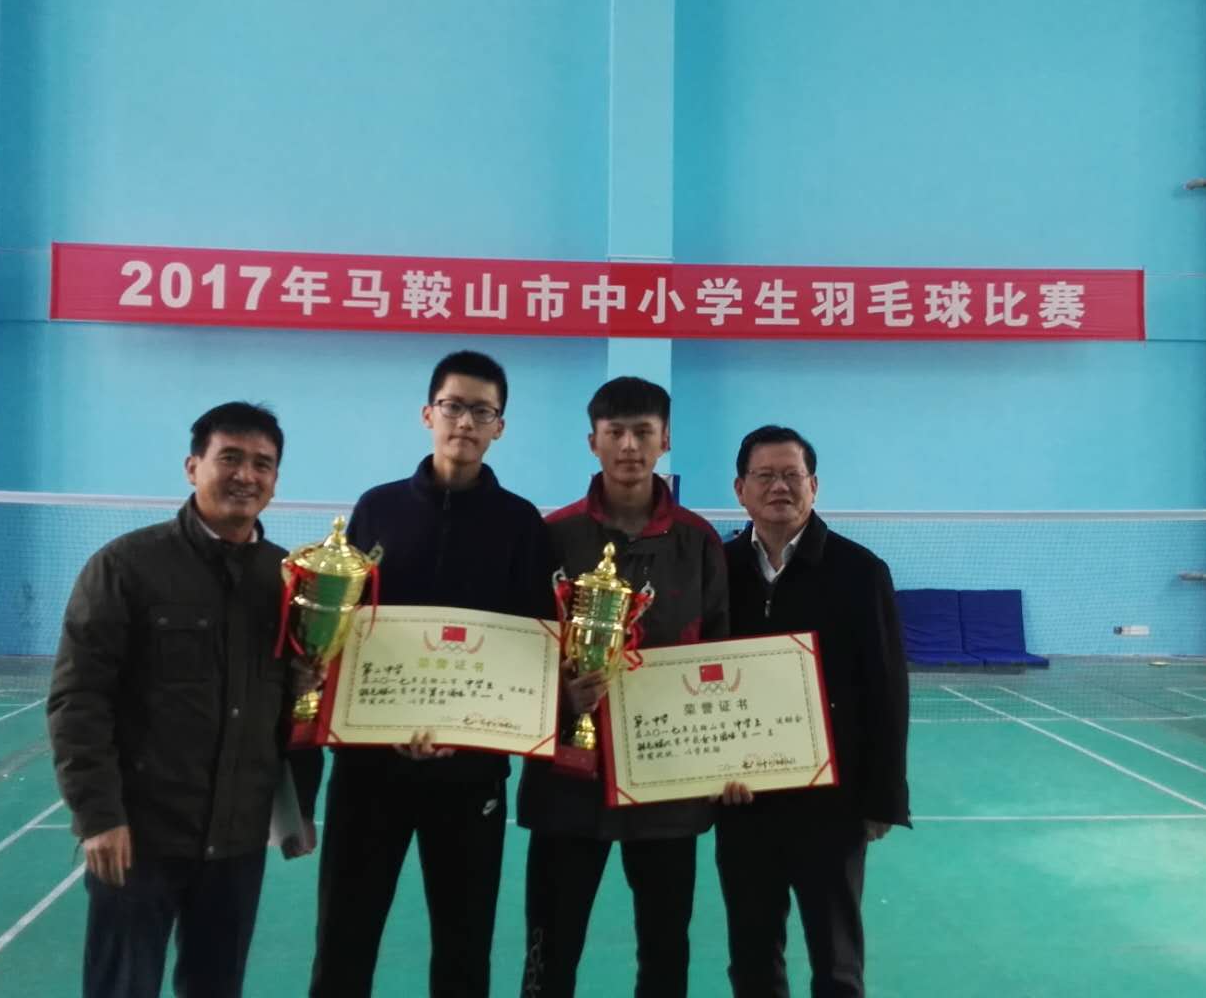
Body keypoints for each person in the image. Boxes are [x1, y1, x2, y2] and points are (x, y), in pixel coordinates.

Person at [48, 400, 320, 998]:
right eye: (230, 458)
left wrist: (299, 805)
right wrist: (99, 817)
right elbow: (78, 699)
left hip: (238, 840)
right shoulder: (125, 567)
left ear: (276, 480)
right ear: (193, 466)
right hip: (140, 836)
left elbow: (296, 704)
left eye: (262, 464)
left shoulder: (290, 580)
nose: (245, 475)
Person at [308, 350, 555, 998]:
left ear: (499, 426)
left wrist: (468, 732)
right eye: (453, 406)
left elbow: (531, 646)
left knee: (463, 951)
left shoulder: (520, 524)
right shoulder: (377, 509)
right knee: (343, 941)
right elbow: (345, 627)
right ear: (428, 414)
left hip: (470, 775)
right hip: (369, 769)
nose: (465, 422)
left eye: (482, 411)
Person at [517, 376, 730, 998]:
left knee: (665, 954)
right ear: (593, 441)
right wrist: (562, 698)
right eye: (615, 433)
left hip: (666, 787)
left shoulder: (698, 542)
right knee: (549, 951)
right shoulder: (551, 536)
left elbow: (720, 657)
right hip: (565, 784)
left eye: (643, 432)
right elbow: (521, 650)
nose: (629, 446)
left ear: (665, 440)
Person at [714, 425, 910, 998]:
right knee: (752, 957)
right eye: (764, 476)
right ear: (740, 489)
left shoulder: (860, 571)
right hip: (744, 800)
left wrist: (882, 798)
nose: (779, 487)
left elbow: (887, 690)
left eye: (791, 475)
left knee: (837, 962)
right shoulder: (718, 569)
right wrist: (707, 775)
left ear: (814, 486)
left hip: (833, 804)